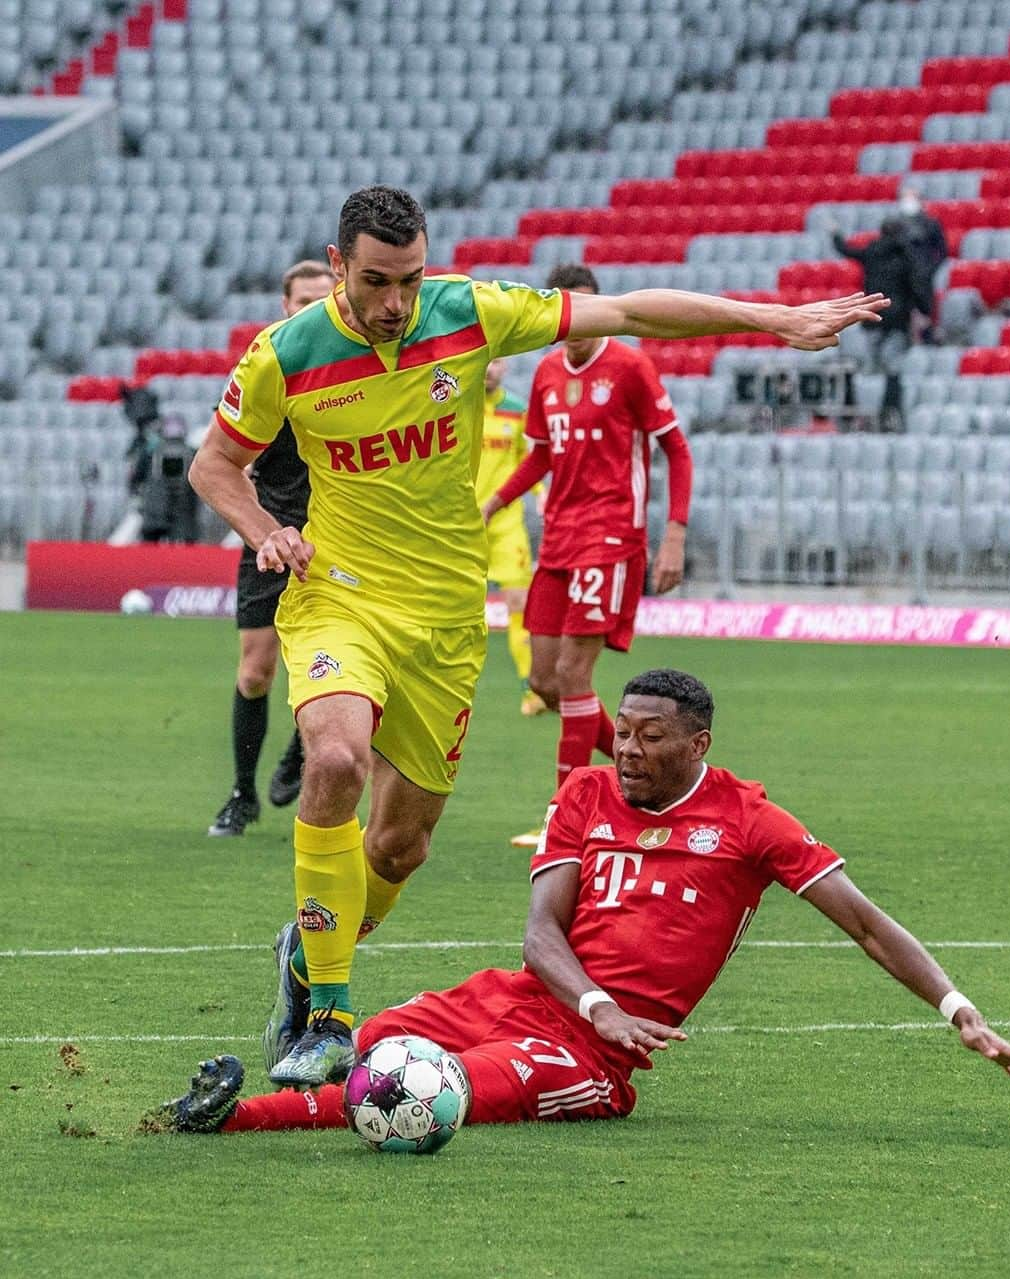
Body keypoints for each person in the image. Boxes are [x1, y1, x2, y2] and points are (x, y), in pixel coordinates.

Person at [189, 183, 889, 1089]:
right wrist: (265, 530)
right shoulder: (285, 353)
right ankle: (327, 1013)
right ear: (336, 269)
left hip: (445, 618)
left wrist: (774, 319)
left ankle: (310, 945)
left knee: (400, 849)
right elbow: (216, 464)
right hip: (341, 597)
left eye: (409, 278)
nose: (396, 302)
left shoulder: (469, 311)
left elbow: (633, 310)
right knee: (333, 763)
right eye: (375, 282)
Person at [149, 668, 1010, 1136]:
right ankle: (261, 1088)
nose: (627, 749)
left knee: (434, 1089)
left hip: (594, 1063)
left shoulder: (751, 822)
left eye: (650, 738)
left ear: (697, 742)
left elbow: (864, 921)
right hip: (533, 998)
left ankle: (227, 1120)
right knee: (377, 1042)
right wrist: (596, 1001)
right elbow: (540, 932)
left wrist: (960, 1010)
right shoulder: (584, 794)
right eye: (622, 732)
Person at [481, 264, 694, 847]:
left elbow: (676, 449)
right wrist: (492, 504)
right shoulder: (548, 372)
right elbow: (541, 457)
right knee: (546, 681)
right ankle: (661, 774)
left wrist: (673, 533)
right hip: (558, 538)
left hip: (610, 537)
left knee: (576, 674)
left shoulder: (630, 368)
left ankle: (565, 820)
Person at [208, 260, 335, 837]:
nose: (311, 307)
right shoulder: (267, 369)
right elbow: (223, 456)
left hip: (340, 538)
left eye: (323, 297)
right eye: (301, 299)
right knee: (256, 670)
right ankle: (242, 794)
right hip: (270, 531)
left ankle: (301, 749)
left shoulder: (354, 367)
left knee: (330, 664)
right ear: (284, 305)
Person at [476, 356, 546, 717]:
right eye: (485, 361)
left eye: (497, 361)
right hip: (460, 525)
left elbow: (529, 460)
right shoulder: (457, 406)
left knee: (519, 603)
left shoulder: (516, 410)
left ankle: (530, 690)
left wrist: (540, 494)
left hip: (505, 525)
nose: (489, 368)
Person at [831, 217, 919, 431]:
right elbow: (916, 285)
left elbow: (846, 250)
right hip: (897, 319)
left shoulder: (872, 252)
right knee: (894, 369)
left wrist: (836, 234)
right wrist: (923, 311)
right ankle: (890, 413)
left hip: (873, 317)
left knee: (870, 371)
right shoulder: (905, 255)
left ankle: (867, 417)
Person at [897, 185, 948, 340]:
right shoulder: (896, 225)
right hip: (902, 276)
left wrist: (931, 268)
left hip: (924, 274)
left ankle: (928, 335)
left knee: (925, 308)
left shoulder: (930, 224)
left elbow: (942, 250)